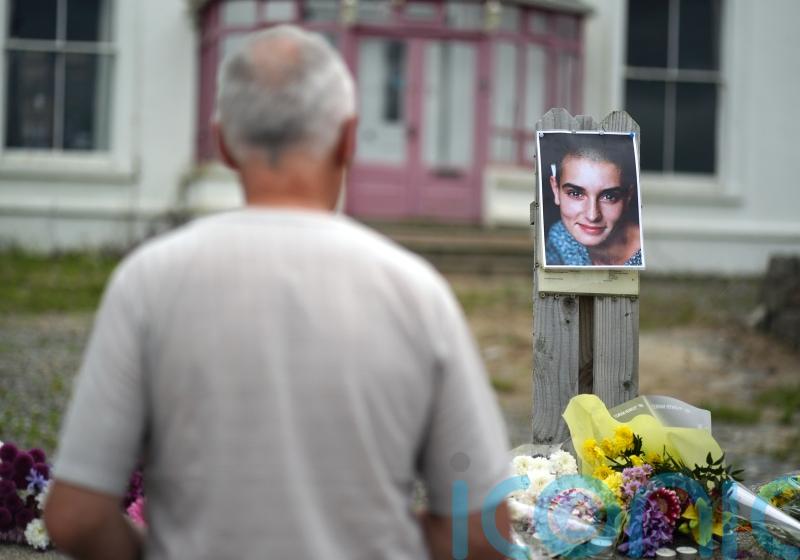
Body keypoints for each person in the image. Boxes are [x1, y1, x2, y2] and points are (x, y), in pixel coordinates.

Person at [43, 25, 511, 560]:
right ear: (349, 137)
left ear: (223, 142)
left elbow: (75, 515)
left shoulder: (148, 281)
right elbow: (481, 531)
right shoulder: (415, 292)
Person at [545, 141, 642, 267]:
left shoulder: (647, 252)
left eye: (609, 196)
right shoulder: (560, 236)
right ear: (555, 190)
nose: (592, 216)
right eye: (575, 194)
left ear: (628, 197)